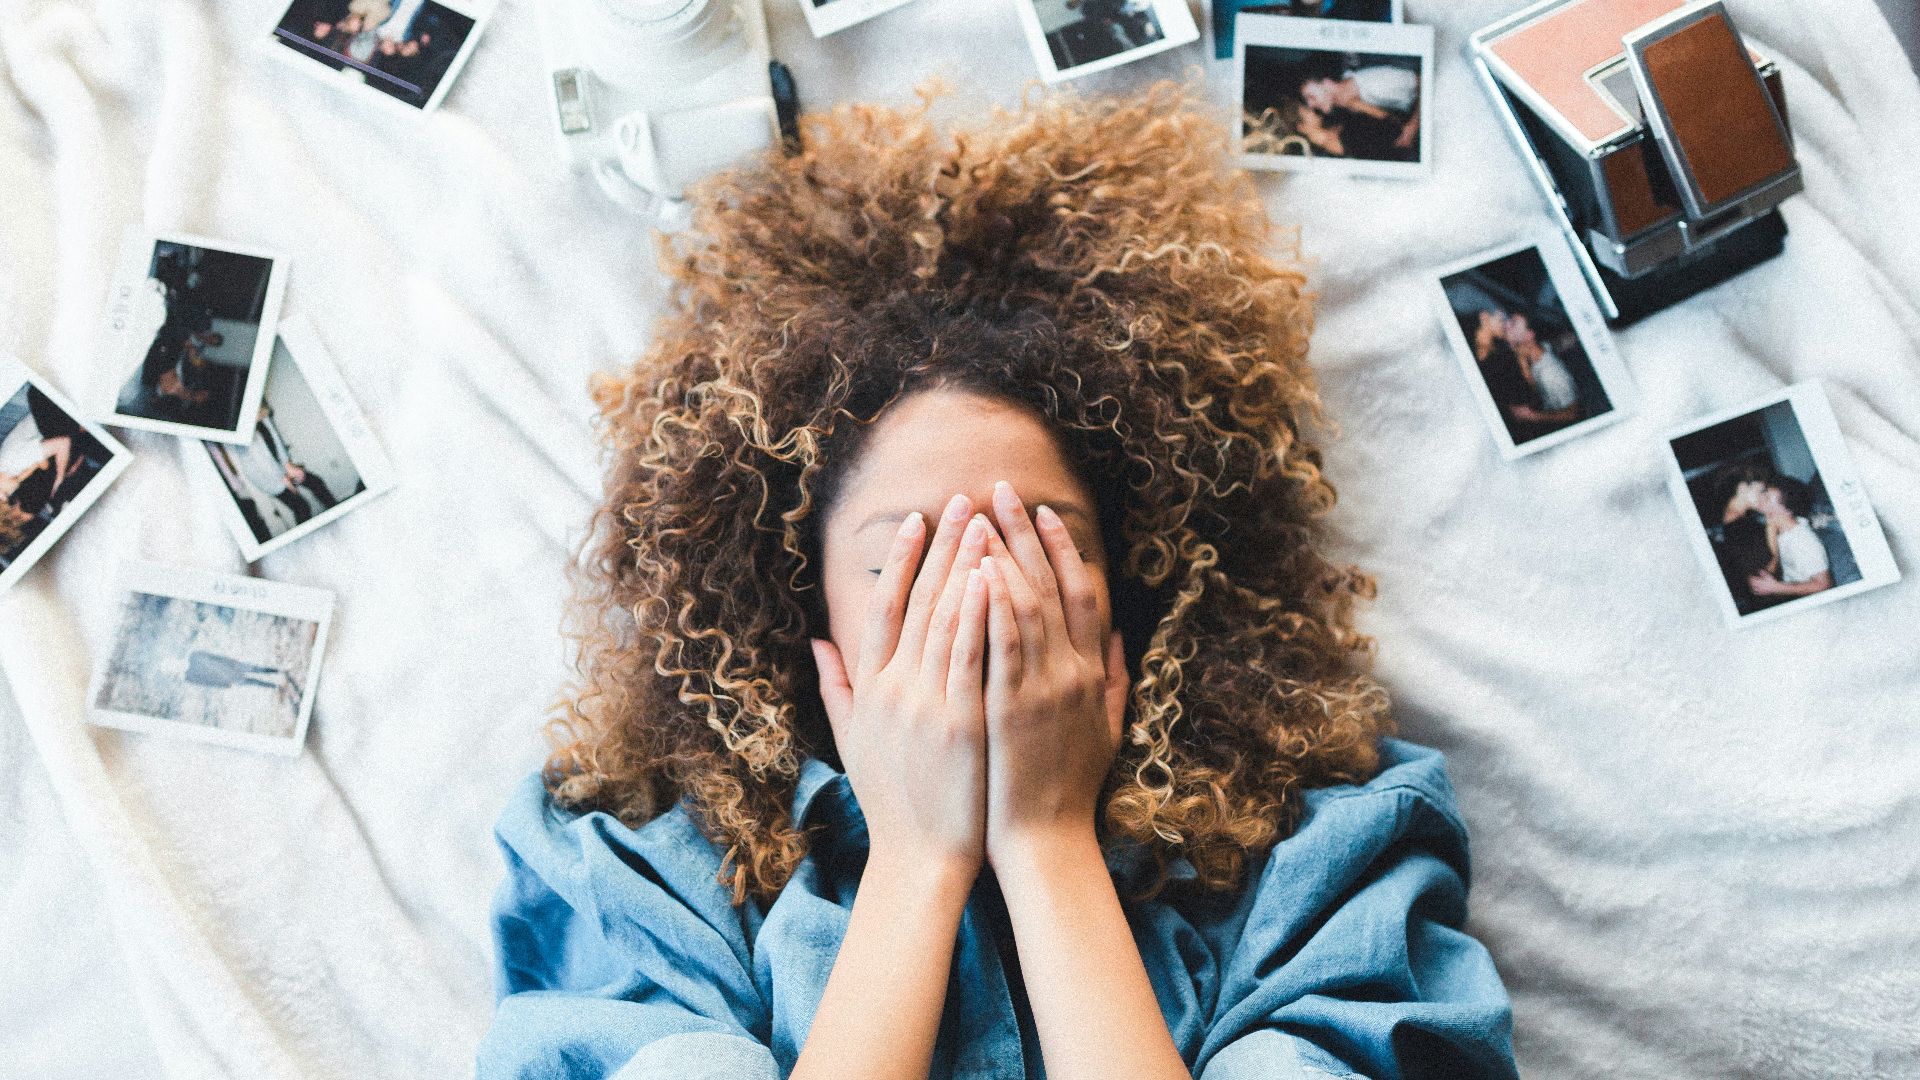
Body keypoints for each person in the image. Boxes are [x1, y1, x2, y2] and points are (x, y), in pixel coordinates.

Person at [477, 78, 1518, 1080]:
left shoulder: (1334, 850)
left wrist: (1048, 840)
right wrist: (915, 860)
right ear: (804, 602)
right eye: (904, 559)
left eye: (1035, 544)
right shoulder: (638, 865)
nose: (976, 598)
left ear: (1135, 578)